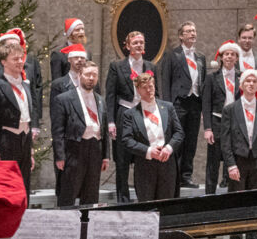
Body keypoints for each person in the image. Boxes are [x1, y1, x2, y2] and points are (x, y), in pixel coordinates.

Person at [220, 69, 257, 239]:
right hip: (238, 161)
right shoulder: (230, 109)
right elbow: (225, 140)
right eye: (247, 81)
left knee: (255, 204)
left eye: (254, 81)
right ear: (242, 85)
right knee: (236, 203)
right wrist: (230, 164)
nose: (251, 84)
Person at [105, 30, 156, 204]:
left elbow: (157, 94)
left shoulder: (150, 67)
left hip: (145, 115)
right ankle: (123, 199)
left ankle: (144, 197)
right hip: (124, 113)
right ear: (127, 46)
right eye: (135, 43)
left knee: (144, 157)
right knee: (122, 159)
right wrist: (111, 122)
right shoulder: (117, 66)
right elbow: (110, 95)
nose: (139, 45)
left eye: (141, 42)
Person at [52, 60, 110, 207]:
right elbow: (58, 131)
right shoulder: (64, 99)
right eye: (88, 74)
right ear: (79, 75)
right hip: (74, 149)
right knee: (68, 193)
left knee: (91, 194)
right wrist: (59, 156)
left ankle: (87, 221)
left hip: (95, 149)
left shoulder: (101, 100)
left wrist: (106, 156)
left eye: (94, 75)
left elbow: (104, 129)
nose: (91, 78)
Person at [0, 35, 36, 193]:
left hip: (24, 141)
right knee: (7, 188)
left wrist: (31, 151)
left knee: (24, 188)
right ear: (4, 62)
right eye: (15, 59)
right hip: (6, 141)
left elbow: (29, 118)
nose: (20, 62)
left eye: (21, 58)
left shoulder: (26, 86)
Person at [121, 70, 183, 202]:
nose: (149, 90)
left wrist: (169, 148)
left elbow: (179, 132)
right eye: (144, 88)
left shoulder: (168, 107)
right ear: (138, 90)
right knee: (147, 207)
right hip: (145, 166)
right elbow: (126, 140)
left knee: (167, 206)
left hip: (167, 164)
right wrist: (148, 151)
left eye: (151, 86)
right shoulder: (130, 114)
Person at [158, 21, 207, 188]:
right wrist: (167, 106)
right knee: (177, 139)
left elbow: (202, 82)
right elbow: (166, 81)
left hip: (195, 102)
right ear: (181, 36)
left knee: (191, 141)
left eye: (194, 31)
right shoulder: (172, 55)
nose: (192, 33)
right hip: (178, 103)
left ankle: (186, 176)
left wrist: (203, 107)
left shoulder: (200, 57)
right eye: (188, 31)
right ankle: (175, 175)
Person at [0, 28, 42, 148]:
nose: (19, 61)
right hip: (5, 134)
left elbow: (34, 100)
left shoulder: (26, 70)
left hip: (25, 133)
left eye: (17, 46)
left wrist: (34, 125)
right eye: (10, 47)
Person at [201, 40, 241, 196]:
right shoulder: (212, 78)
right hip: (217, 122)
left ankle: (231, 196)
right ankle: (209, 196)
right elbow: (206, 104)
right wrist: (207, 128)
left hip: (235, 123)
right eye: (226, 54)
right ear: (221, 57)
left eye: (232, 54)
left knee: (233, 161)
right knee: (213, 162)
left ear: (236, 58)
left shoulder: (242, 77)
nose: (229, 57)